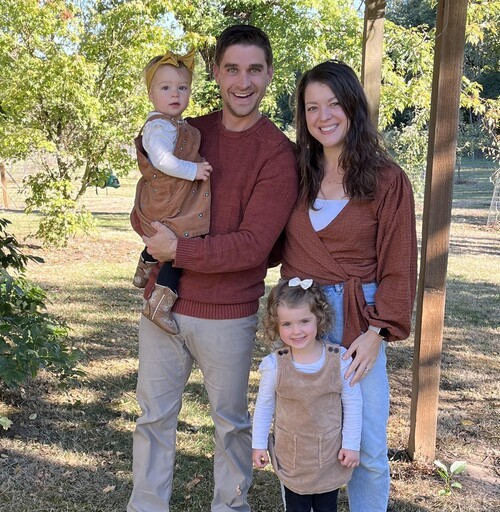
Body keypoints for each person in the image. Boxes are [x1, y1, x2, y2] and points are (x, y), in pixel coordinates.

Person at [127, 25, 299, 512]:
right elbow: (149, 203)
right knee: (153, 419)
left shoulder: (277, 153)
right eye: (232, 69)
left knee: (230, 425)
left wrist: (176, 250)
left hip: (226, 313)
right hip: (162, 305)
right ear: (217, 73)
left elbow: (253, 247)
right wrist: (149, 227)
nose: (243, 82)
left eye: (254, 70)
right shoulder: (185, 132)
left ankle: (230, 507)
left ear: (269, 74)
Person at [280, 60, 418, 512]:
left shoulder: (386, 179)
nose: (323, 116)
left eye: (334, 103)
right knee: (301, 438)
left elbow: (399, 262)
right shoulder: (295, 174)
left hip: (360, 319)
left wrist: (377, 332)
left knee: (368, 446)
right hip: (302, 317)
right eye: (312, 107)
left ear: (354, 107)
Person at [252, 278, 362, 512]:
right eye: (287, 324)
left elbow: (353, 404)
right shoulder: (274, 365)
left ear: (318, 318)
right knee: (296, 507)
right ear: (276, 325)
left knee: (326, 507)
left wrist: (351, 445)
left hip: (330, 454)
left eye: (304, 321)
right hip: (292, 456)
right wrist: (258, 444)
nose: (297, 331)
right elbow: (264, 406)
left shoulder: (339, 360)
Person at [130, 49, 212, 335]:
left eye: (182, 87)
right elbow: (163, 160)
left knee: (168, 236)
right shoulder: (158, 128)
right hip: (166, 197)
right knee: (180, 245)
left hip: (171, 196)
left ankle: (144, 268)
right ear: (151, 94)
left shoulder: (173, 124)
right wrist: (193, 170)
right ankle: (159, 305)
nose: (175, 94)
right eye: (165, 88)